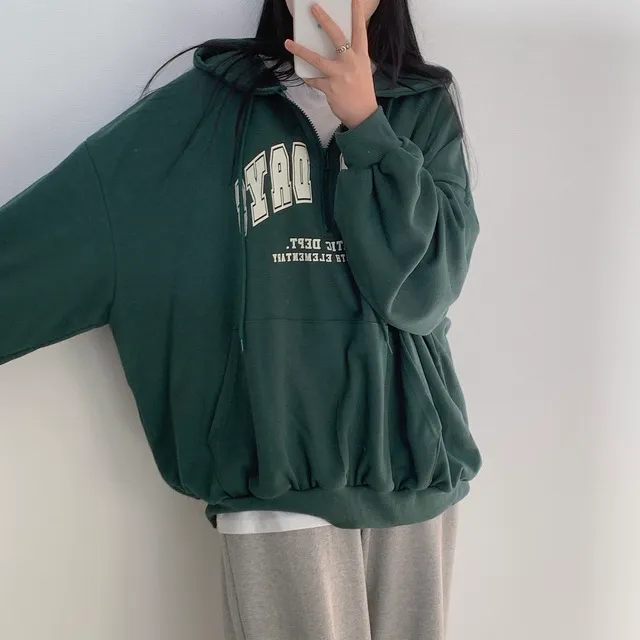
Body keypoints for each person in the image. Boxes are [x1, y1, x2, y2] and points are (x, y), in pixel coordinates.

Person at [0, 0, 482, 637]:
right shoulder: (198, 116)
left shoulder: (423, 106)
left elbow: (426, 289)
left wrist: (367, 124)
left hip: (416, 482)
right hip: (277, 484)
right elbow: (57, 239)